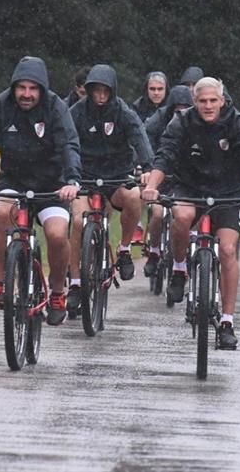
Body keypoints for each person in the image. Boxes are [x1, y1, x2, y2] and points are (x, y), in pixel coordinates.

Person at [141, 77, 240, 350]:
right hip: (190, 188)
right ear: (194, 101)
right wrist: (152, 186)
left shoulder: (236, 121)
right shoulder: (182, 122)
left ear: (222, 101)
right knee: (182, 217)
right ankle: (178, 269)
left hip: (229, 193)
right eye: (202, 101)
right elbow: (164, 156)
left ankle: (227, 321)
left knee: (227, 250)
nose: (208, 106)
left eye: (213, 101)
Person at [0, 56, 81, 326]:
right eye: (22, 88)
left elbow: (69, 146)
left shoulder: (56, 108)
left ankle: (56, 293)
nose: (26, 94)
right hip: (13, 180)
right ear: (14, 87)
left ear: (42, 89)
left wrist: (72, 180)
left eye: (33, 88)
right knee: (1, 210)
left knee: (56, 234)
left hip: (53, 185)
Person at [66, 64, 154, 311]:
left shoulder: (123, 112)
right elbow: (65, 141)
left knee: (135, 197)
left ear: (112, 91)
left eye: (106, 91)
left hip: (116, 175)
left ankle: (124, 248)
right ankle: (74, 283)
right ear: (90, 90)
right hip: (84, 176)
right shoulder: (77, 112)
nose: (101, 96)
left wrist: (147, 166)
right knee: (78, 222)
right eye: (97, 91)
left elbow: (139, 136)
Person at [141, 86, 194, 277]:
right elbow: (144, 141)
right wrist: (148, 168)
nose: (180, 113)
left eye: (185, 108)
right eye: (176, 109)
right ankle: (154, 251)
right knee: (156, 213)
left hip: (185, 178)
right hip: (161, 173)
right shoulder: (157, 121)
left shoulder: (195, 121)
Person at [130, 71, 170, 244]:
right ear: (146, 90)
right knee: (139, 176)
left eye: (160, 89)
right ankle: (137, 225)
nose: (156, 93)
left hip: (167, 155)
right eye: (152, 89)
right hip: (144, 156)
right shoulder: (136, 108)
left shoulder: (173, 107)